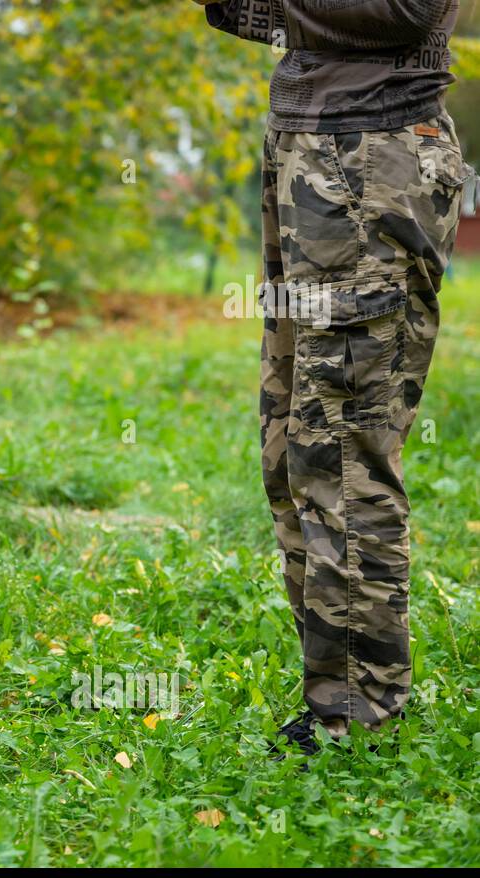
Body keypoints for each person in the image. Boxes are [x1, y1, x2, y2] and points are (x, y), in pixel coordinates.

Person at [195, 1, 474, 755]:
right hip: (309, 153)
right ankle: (337, 689)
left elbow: (405, 13)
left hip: (371, 158)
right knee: (293, 445)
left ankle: (360, 711)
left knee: (343, 448)